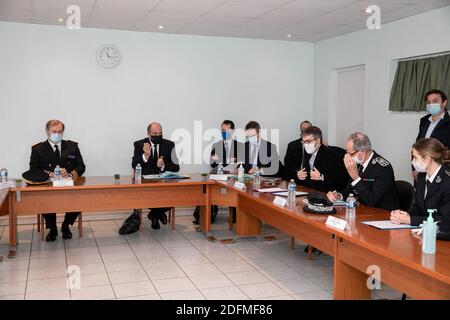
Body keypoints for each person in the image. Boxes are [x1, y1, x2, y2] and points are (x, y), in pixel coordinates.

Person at [29, 120, 85, 241]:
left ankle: (66, 226)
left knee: (79, 197)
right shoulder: (38, 149)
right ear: (47, 132)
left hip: (68, 184)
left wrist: (70, 174)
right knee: (45, 200)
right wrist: (49, 173)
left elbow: (81, 166)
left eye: (60, 131)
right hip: (48, 185)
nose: (57, 134)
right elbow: (33, 170)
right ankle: (52, 228)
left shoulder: (72, 147)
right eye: (54, 131)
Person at [327, 132, 400, 211]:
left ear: (361, 153)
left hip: (383, 214)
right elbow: (350, 190)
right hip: (363, 210)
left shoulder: (383, 169)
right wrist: (338, 196)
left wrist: (355, 177)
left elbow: (372, 201)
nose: (347, 157)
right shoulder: (358, 163)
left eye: (350, 154)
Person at [391, 138, 450, 231]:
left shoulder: (447, 181)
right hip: (422, 233)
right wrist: (406, 215)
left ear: (426, 159)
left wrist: (410, 220)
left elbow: (446, 220)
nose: (412, 161)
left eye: (415, 157)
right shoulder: (422, 177)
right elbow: (418, 208)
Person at [131, 122, 180, 229]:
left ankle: (154, 214)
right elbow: (134, 164)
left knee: (175, 196)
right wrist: (145, 156)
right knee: (149, 196)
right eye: (155, 133)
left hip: (164, 183)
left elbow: (176, 167)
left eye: (160, 133)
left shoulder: (169, 144)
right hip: (145, 184)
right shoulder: (139, 144)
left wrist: (163, 165)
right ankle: (156, 215)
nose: (158, 136)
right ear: (149, 134)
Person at [193, 120, 242, 224]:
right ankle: (205, 214)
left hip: (233, 175)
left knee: (236, 187)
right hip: (219, 174)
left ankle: (235, 215)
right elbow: (213, 163)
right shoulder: (216, 145)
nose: (224, 133)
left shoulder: (239, 146)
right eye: (223, 130)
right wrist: (225, 161)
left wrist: (236, 167)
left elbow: (242, 162)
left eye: (227, 130)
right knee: (207, 186)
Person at [294, 126, 348, 192]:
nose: (306, 145)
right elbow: (308, 176)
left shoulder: (332, 154)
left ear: (318, 140)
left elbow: (341, 178)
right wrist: (299, 175)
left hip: (327, 194)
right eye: (304, 142)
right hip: (310, 192)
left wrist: (321, 177)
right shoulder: (307, 152)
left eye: (308, 141)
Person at [414, 89, 449, 179]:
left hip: (441, 172)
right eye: (428, 102)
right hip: (421, 169)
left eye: (435, 101)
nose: (431, 104)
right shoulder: (424, 121)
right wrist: (416, 167)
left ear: (444, 103)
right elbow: (418, 145)